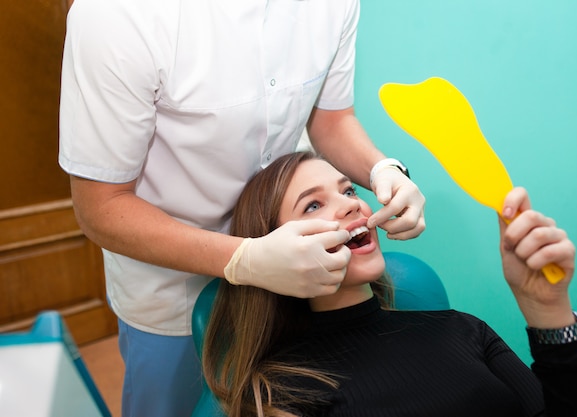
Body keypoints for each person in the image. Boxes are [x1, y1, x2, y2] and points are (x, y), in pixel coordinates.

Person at [57, 0, 426, 415]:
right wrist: (247, 258)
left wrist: (382, 170)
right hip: (168, 282)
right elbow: (100, 208)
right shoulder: (116, 15)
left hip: (295, 278)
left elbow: (331, 120)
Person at [203, 151, 577, 417]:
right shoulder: (280, 394)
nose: (353, 203)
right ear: (273, 249)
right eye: (314, 204)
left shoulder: (463, 330)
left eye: (348, 190)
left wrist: (547, 312)